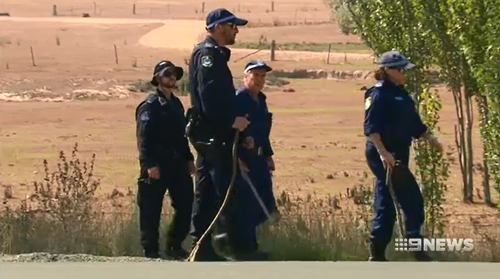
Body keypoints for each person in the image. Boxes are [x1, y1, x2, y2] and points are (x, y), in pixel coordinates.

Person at [363, 51, 443, 262]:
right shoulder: (377, 94)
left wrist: (430, 138)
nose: (404, 73)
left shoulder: (402, 94)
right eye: (400, 69)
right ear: (388, 70)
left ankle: (381, 249)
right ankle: (403, 249)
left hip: (399, 152)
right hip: (384, 152)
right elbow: (372, 129)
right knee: (404, 199)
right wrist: (384, 154)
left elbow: (413, 123)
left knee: (392, 197)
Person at [185, 8, 250, 261]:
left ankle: (202, 246)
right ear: (219, 26)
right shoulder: (208, 56)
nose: (236, 30)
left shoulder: (215, 55)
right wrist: (231, 120)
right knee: (224, 188)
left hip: (213, 133)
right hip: (213, 134)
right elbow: (209, 98)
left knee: (207, 191)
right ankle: (229, 243)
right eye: (233, 25)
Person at [214, 61, 278, 260]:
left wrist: (268, 155)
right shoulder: (239, 100)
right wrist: (235, 159)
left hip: (259, 159)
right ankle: (244, 248)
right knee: (246, 204)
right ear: (245, 77)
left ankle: (233, 239)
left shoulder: (261, 100)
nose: (259, 80)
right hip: (244, 159)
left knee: (265, 204)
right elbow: (227, 132)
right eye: (255, 75)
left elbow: (263, 132)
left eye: (262, 76)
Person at [135, 60, 196, 260]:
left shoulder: (176, 104)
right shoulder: (150, 105)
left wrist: (188, 159)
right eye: (167, 74)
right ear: (158, 78)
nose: (172, 77)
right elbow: (144, 139)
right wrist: (149, 164)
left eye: (174, 74)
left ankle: (174, 246)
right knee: (151, 210)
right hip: (157, 165)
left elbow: (181, 136)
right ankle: (151, 252)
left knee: (186, 204)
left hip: (177, 164)